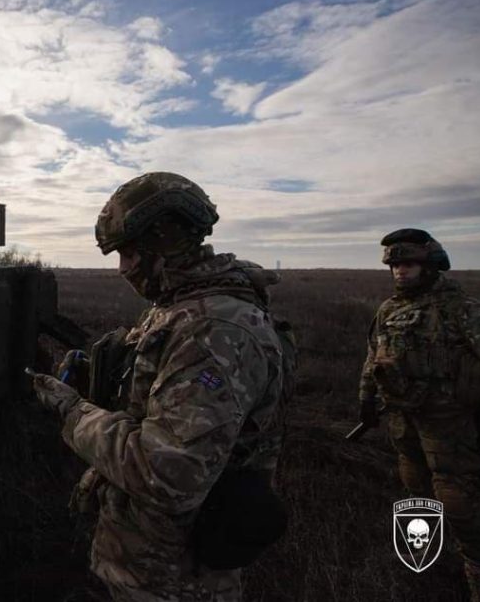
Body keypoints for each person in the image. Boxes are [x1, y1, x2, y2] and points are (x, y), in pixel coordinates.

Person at [31, 172, 292, 602]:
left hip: (174, 578)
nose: (123, 268)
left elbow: (168, 473)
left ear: (165, 240)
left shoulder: (213, 329)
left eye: (129, 252)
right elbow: (157, 412)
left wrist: (72, 411)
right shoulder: (181, 309)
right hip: (145, 559)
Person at [357, 229, 480, 599]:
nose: (400, 271)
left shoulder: (462, 310)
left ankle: (477, 571)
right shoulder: (389, 310)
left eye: (408, 263)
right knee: (415, 486)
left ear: (430, 266)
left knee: (459, 500)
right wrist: (366, 400)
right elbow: (373, 358)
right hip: (403, 419)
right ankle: (433, 562)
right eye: (395, 264)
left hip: (448, 423)